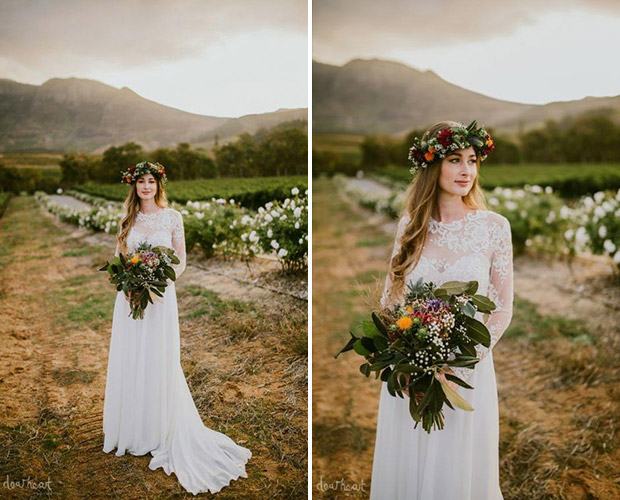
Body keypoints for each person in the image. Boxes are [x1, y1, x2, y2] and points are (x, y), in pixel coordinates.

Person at [369, 121, 514, 500]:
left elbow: (501, 308)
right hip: (413, 369)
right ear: (433, 165)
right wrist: (403, 358)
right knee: (411, 458)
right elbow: (391, 302)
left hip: (467, 370)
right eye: (455, 160)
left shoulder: (494, 227)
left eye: (472, 160)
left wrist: (466, 361)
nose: (467, 170)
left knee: (457, 466)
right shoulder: (410, 226)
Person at [102, 161, 251, 495]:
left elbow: (181, 261)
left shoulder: (173, 218)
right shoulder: (127, 219)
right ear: (133, 186)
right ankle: (131, 428)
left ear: (159, 185)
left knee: (158, 358)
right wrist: (128, 285)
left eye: (150, 181)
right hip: (130, 300)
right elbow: (120, 259)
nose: (145, 187)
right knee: (132, 357)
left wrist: (159, 282)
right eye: (140, 181)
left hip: (160, 299)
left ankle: (157, 427)